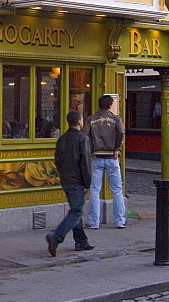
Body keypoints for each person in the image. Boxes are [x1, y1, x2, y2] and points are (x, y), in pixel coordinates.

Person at [45, 111, 94, 257]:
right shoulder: (82, 139)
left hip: (66, 179)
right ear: (79, 121)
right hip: (77, 180)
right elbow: (85, 163)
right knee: (76, 211)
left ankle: (81, 241)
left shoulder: (62, 139)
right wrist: (87, 182)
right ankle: (56, 236)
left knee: (75, 209)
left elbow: (57, 161)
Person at [84, 94, 127, 229]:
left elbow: (86, 136)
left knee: (95, 190)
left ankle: (93, 222)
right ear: (110, 105)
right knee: (117, 190)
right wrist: (116, 148)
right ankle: (120, 220)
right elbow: (121, 131)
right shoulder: (116, 118)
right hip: (112, 157)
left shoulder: (91, 119)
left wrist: (91, 152)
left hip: (96, 156)